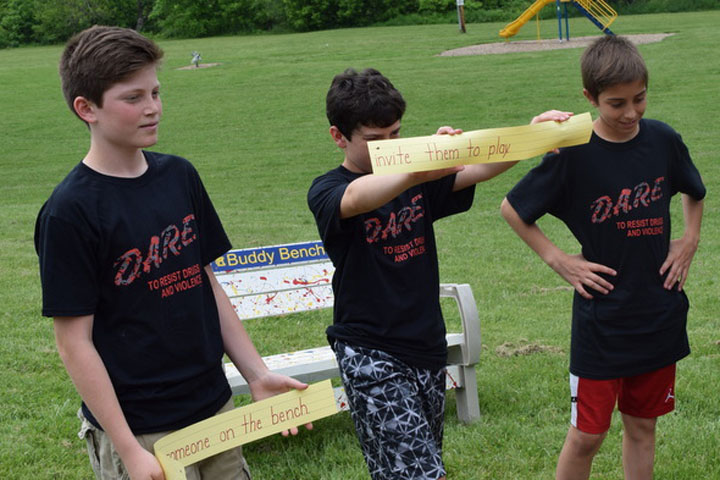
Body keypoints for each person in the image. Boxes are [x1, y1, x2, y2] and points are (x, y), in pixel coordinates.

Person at [35, 26, 308, 480]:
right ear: (87, 108)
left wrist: (256, 374)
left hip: (214, 407)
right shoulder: (70, 212)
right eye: (133, 97)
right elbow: (73, 343)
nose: (153, 107)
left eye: (156, 92)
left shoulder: (180, 176)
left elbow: (205, 284)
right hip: (141, 430)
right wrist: (129, 449)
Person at [307, 67, 571, 480]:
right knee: (424, 474)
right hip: (370, 352)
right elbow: (359, 196)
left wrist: (530, 136)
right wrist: (424, 162)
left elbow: (478, 169)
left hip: (426, 345)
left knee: (403, 470)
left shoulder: (416, 175)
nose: (390, 147)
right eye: (376, 142)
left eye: (397, 135)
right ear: (338, 136)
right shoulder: (328, 190)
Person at [500, 35, 705, 480]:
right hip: (602, 321)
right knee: (587, 436)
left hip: (657, 312)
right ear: (589, 98)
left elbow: (694, 190)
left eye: (639, 99)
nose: (631, 113)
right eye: (616, 104)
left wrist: (689, 239)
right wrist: (559, 260)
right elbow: (513, 209)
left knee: (642, 427)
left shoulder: (662, 140)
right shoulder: (572, 151)